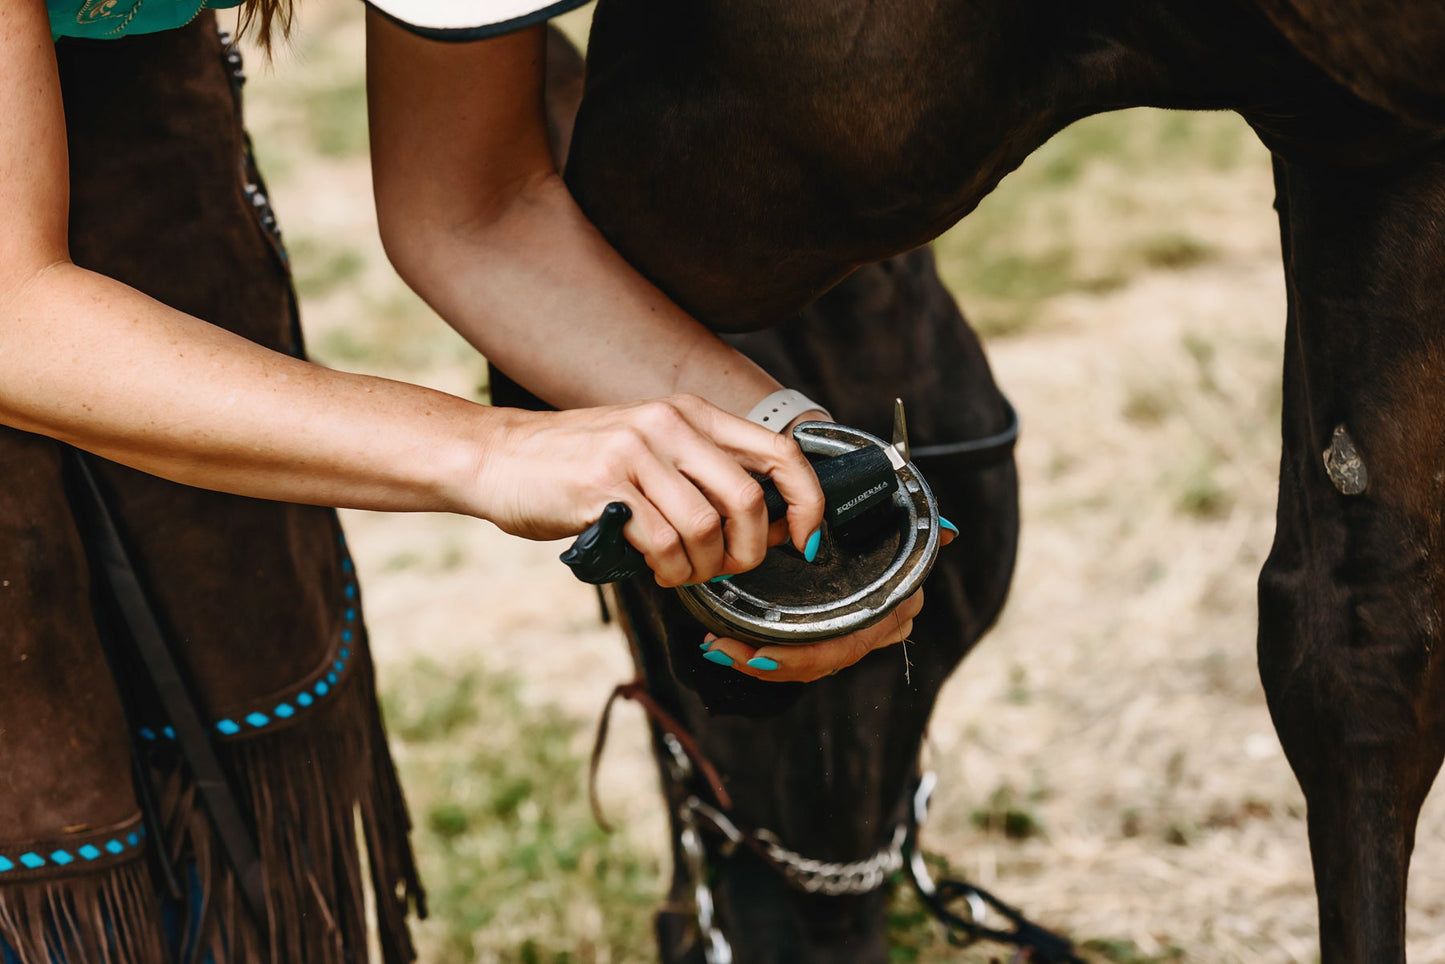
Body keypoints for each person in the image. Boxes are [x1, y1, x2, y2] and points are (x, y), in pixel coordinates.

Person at [0, 0, 932, 959]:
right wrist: (490, 453)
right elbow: (11, 312)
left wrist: (784, 448)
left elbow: (476, 211)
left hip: (151, 151)